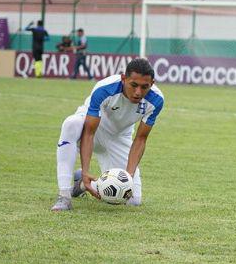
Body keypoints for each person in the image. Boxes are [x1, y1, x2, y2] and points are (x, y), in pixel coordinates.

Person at [51, 57, 164, 212]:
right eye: (134, 85)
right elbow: (89, 133)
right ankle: (64, 195)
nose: (138, 92)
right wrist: (85, 171)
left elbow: (140, 139)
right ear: (124, 78)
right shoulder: (105, 88)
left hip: (119, 137)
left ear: (152, 83)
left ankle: (83, 185)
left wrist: (129, 177)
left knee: (134, 200)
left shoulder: (156, 100)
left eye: (144, 87)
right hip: (90, 130)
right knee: (70, 124)